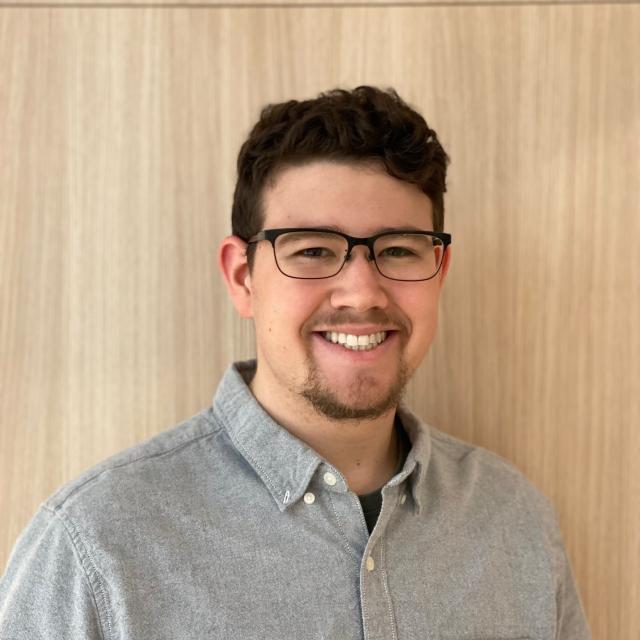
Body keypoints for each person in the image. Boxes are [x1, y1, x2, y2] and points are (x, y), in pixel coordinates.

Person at [0, 86, 591, 639]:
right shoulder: (93, 547)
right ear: (242, 277)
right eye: (312, 249)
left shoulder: (517, 522)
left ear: (438, 273)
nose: (362, 293)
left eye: (398, 250)